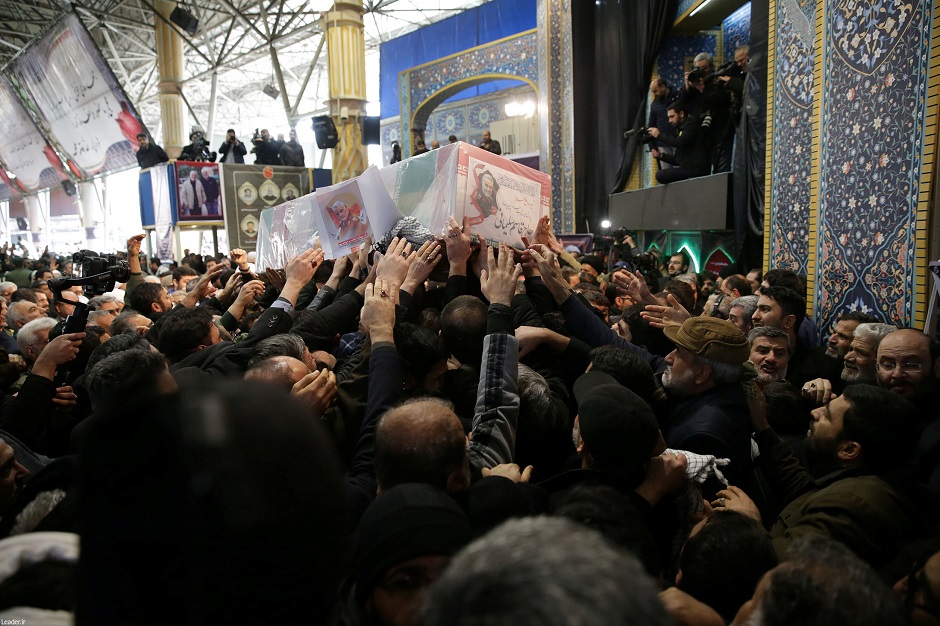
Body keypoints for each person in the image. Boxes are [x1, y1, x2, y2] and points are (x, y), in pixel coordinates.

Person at [648, 102, 710, 184]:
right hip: (687, 168)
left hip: (696, 170)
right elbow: (678, 160)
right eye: (669, 118)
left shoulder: (691, 126)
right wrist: (661, 156)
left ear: (681, 114)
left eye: (672, 117)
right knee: (662, 175)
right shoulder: (680, 130)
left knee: (661, 175)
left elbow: (679, 142)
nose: (670, 121)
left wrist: (659, 135)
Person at [648, 78, 677, 168]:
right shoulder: (655, 105)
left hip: (678, 141)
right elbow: (651, 126)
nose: (654, 94)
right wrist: (652, 147)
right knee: (666, 174)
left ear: (663, 87)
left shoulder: (678, 96)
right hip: (662, 144)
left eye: (656, 91)